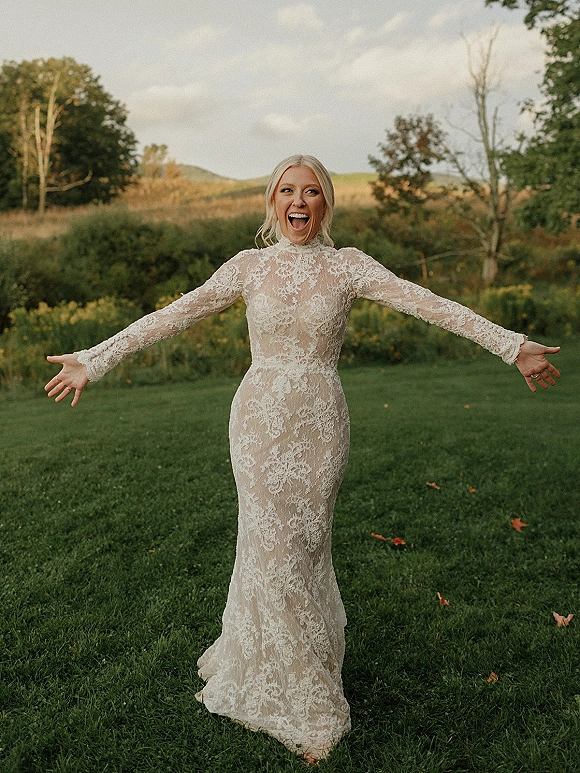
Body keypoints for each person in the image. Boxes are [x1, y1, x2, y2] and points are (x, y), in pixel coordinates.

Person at [45, 155, 560, 763]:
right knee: (269, 547)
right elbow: (174, 314)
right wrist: (96, 358)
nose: (298, 201)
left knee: (303, 547)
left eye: (311, 192)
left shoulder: (348, 268)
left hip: (319, 420)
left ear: (326, 204)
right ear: (271, 202)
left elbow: (429, 303)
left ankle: (301, 666)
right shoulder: (248, 268)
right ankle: (304, 699)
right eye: (287, 191)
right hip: (258, 419)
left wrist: (511, 346)